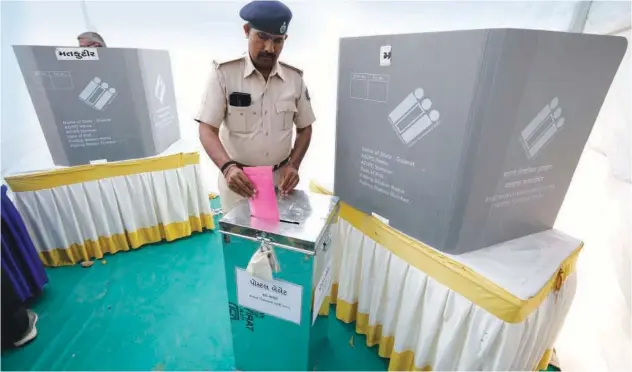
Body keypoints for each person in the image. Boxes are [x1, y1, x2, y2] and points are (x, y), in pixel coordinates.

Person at [196, 0, 315, 214]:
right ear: (246, 31)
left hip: (281, 184)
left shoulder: (294, 78)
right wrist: (227, 167)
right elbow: (207, 128)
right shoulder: (224, 73)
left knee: (276, 243)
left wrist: (294, 165)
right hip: (238, 183)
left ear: (285, 39)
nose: (270, 48)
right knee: (239, 244)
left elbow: (305, 128)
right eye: (262, 37)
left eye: (278, 41)